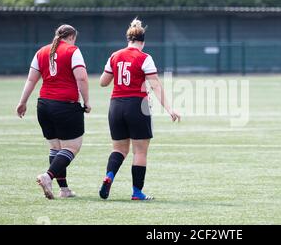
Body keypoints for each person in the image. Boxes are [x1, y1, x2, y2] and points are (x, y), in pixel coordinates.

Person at [98, 18, 180, 201]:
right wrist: (170, 109)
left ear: (128, 39)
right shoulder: (145, 58)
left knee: (119, 149)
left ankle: (109, 176)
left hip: (116, 106)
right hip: (137, 106)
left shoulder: (115, 55)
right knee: (140, 151)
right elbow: (156, 86)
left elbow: (103, 82)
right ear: (142, 41)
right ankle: (137, 192)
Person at [16, 24, 91, 200]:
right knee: (72, 147)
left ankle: (64, 190)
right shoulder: (73, 51)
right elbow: (81, 77)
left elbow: (31, 79)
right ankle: (47, 176)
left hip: (43, 106)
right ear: (72, 37)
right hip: (65, 105)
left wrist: (22, 102)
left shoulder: (41, 52)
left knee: (55, 148)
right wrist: (86, 101)